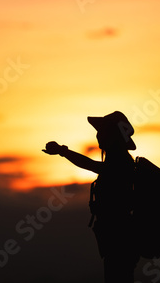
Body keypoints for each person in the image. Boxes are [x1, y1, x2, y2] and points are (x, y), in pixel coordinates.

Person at [43, 111, 139, 283]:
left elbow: (91, 165)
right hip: (118, 237)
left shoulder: (120, 162)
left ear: (112, 135)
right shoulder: (121, 160)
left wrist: (62, 151)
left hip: (119, 238)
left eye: (102, 131)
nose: (98, 135)